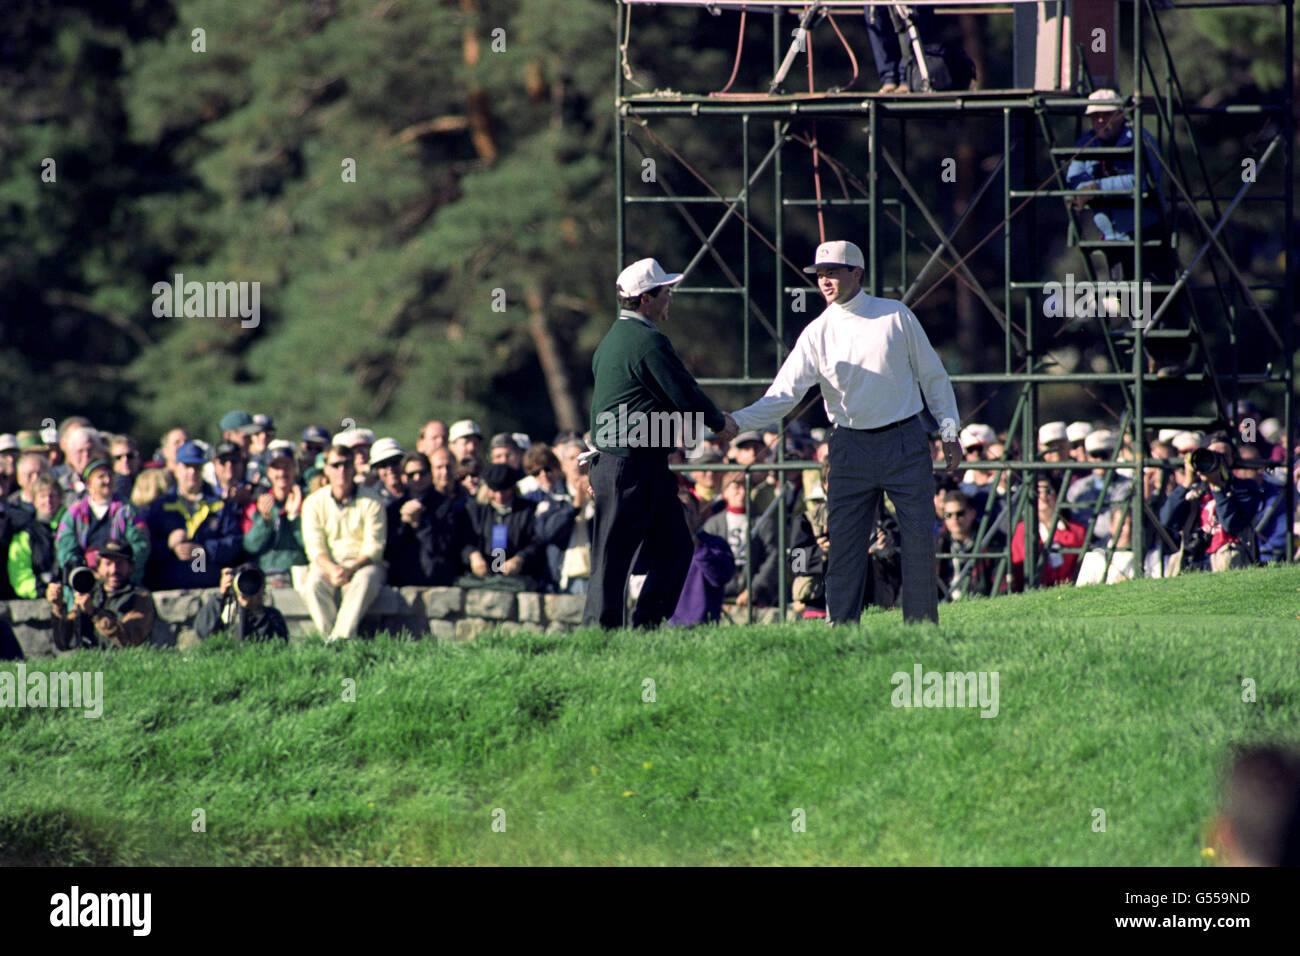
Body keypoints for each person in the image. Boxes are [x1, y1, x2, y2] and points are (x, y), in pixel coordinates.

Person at [726, 240, 962, 625]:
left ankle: (922, 632)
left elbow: (933, 376)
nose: (825, 281)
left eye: (833, 272)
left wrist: (949, 430)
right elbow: (784, 394)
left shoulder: (896, 315)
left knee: (919, 541)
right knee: (845, 547)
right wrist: (739, 421)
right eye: (820, 274)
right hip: (848, 445)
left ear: (857, 274)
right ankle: (842, 632)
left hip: (905, 439)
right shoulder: (816, 332)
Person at [582, 257, 733, 630]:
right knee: (613, 558)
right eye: (667, 291)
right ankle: (598, 638)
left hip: (637, 465)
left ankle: (646, 628)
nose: (671, 298)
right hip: (627, 465)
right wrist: (719, 423)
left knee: (674, 546)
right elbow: (684, 393)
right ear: (646, 299)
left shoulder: (614, 341)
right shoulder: (647, 341)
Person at [300, 444, 387, 641]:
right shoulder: (313, 503)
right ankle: (328, 638)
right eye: (336, 465)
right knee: (313, 584)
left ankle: (341, 638)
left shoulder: (372, 501)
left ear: (354, 468)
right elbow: (314, 546)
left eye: (347, 465)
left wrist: (350, 569)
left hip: (363, 563)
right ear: (326, 469)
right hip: (329, 563)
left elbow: (374, 547)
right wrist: (332, 568)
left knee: (365, 580)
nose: (342, 471)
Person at [144, 441, 242, 590]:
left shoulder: (219, 506)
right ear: (176, 469)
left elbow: (234, 543)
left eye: (197, 467)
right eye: (187, 466)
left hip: (209, 586)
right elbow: (145, 548)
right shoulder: (161, 507)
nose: (192, 472)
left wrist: (203, 550)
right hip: (169, 589)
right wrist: (169, 545)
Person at [46, 539, 157, 650]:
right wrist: (58, 607)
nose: (114, 570)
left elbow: (130, 641)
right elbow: (64, 643)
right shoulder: (91, 593)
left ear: (131, 567)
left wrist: (94, 613)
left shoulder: (140, 596)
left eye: (119, 564)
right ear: (98, 568)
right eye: (108, 564)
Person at [56, 458, 151, 586]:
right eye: (101, 477)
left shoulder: (128, 510)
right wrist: (86, 570)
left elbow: (140, 545)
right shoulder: (74, 514)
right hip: (86, 581)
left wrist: (123, 568)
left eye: (110, 476)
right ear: (89, 483)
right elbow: (66, 550)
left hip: (120, 579)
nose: (107, 480)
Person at [384, 451, 461, 587]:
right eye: (411, 475)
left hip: (437, 580)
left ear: (430, 474)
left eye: (422, 473)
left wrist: (419, 524)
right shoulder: (394, 509)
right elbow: (389, 550)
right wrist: (403, 522)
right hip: (401, 582)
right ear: (403, 478)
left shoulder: (446, 505)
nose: (417, 478)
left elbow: (444, 547)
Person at [242, 441, 307, 588]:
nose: (282, 473)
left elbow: (309, 544)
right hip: (266, 575)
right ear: (268, 472)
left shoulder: (308, 502)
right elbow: (250, 546)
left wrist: (294, 517)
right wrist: (264, 521)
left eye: (287, 467)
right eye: (276, 468)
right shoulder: (257, 504)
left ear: (295, 470)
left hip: (299, 575)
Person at [1010, 476, 1087, 591]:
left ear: (1057, 496)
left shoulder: (1076, 531)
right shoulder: (1020, 531)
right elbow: (1019, 567)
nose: (1043, 496)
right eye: (1037, 492)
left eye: (1048, 491)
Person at [193, 564, 289, 643]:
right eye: (243, 582)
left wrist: (258, 611)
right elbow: (203, 632)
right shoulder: (227, 613)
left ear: (262, 587)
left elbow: (278, 644)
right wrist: (220, 596)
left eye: (254, 583)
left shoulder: (273, 616)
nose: (248, 586)